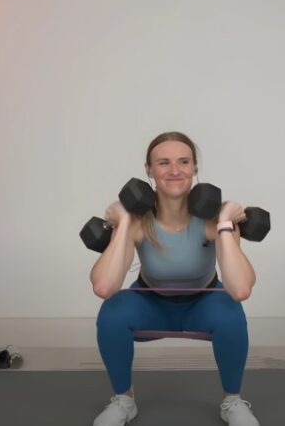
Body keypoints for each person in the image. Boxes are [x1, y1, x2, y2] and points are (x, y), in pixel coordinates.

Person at [90, 131, 260, 426]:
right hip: (150, 304)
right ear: (149, 170)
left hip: (203, 303)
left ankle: (231, 401)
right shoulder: (139, 222)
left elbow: (241, 288)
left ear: (195, 168)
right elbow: (104, 286)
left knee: (232, 313)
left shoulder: (212, 220)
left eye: (183, 161)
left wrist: (224, 223)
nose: (174, 170)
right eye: (163, 162)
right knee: (111, 313)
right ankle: (124, 400)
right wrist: (125, 223)